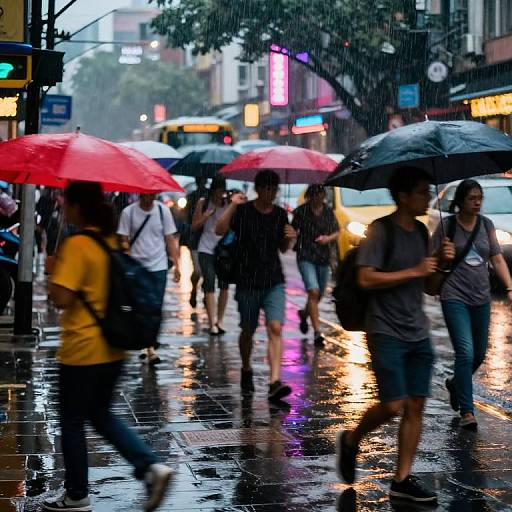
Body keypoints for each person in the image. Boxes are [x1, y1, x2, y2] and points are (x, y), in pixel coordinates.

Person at [43, 181, 172, 512]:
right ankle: (150, 466)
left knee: (72, 420)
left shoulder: (77, 245)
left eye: (65, 202)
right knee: (100, 414)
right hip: (112, 349)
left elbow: (62, 298)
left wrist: (50, 272)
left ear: (76, 207)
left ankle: (76, 494)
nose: (62, 207)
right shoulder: (109, 241)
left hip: (81, 350)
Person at [336, 167, 455, 503]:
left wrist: (442, 265)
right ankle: (351, 439)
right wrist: (414, 270)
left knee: (415, 405)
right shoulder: (380, 231)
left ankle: (401, 480)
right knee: (392, 404)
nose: (428, 197)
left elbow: (430, 287)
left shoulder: (421, 232)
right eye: (422, 191)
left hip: (417, 330)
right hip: (384, 328)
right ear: (403, 196)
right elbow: (366, 279)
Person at [432, 179, 512, 430]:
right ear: (460, 201)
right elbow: (430, 260)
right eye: (471, 198)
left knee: (479, 353)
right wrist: (441, 254)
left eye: (480, 197)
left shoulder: (486, 225)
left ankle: (457, 383)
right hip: (454, 296)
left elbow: (496, 259)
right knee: (465, 352)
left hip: (481, 297)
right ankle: (468, 410)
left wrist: (509, 286)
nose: (477, 202)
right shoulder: (447, 227)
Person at [216, 170, 297, 401]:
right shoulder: (243, 212)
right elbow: (219, 230)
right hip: (247, 281)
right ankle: (246, 368)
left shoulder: (280, 215)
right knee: (248, 331)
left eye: (274, 190)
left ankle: (274, 381)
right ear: (258, 189)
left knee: (275, 327)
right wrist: (232, 205)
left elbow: (282, 249)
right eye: (267, 189)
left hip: (273, 280)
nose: (271, 194)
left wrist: (290, 236)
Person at [118, 193, 180, 365]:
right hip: (138, 268)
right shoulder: (128, 212)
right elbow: (123, 238)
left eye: (151, 195)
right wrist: (127, 253)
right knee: (140, 306)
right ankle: (146, 345)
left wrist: (177, 265)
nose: (148, 198)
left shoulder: (163, 211)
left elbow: (170, 239)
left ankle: (149, 345)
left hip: (159, 266)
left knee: (155, 307)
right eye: (145, 195)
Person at [292, 185, 339, 347]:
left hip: (323, 257)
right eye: (316, 196)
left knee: (318, 295)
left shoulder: (328, 211)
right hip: (305, 255)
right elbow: (292, 230)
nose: (319, 199)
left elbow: (336, 231)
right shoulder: (300, 212)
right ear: (310, 197)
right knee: (313, 290)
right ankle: (318, 331)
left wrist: (328, 238)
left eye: (321, 195)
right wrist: (293, 234)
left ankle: (304, 314)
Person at [192, 175, 229, 336]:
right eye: (217, 191)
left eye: (222, 191)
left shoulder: (228, 205)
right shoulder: (203, 202)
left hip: (224, 251)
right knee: (209, 281)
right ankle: (212, 321)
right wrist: (205, 216)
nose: (219, 195)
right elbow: (194, 226)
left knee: (224, 285)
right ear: (212, 190)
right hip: (205, 249)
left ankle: (220, 320)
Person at [183, 177, 208, 308]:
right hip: (195, 238)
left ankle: (205, 293)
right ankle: (193, 291)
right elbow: (186, 214)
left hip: (208, 239)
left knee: (206, 272)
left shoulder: (210, 197)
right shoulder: (192, 196)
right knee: (197, 270)